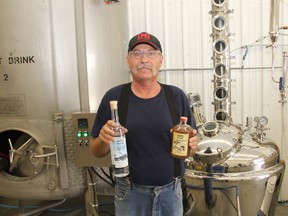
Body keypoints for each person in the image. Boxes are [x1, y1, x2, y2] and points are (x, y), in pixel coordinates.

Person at [90, 32, 200, 216]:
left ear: (161, 60)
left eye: (151, 53)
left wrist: (192, 147)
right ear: (128, 61)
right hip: (129, 194)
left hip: (171, 194)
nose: (144, 59)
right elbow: (96, 151)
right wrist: (103, 139)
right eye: (137, 53)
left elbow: (189, 149)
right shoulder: (114, 98)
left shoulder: (176, 97)